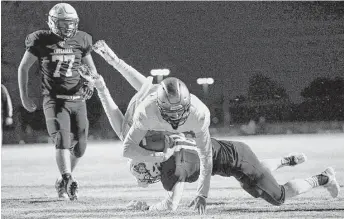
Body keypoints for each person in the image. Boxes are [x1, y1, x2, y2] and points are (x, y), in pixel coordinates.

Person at [77, 61, 340, 213]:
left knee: (275, 196)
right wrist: (102, 86)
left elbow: (171, 205)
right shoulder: (161, 141)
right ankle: (285, 160)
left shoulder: (171, 168)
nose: (145, 175)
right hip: (229, 154)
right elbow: (124, 127)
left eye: (142, 172)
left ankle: (323, 177)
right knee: (254, 173)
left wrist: (146, 209)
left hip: (234, 159)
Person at [92, 40, 212, 214]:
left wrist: (103, 82)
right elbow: (146, 89)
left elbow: (144, 90)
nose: (135, 158)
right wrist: (112, 65)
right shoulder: (158, 129)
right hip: (157, 111)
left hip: (151, 110)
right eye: (140, 162)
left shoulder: (142, 136)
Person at [18, 3, 98, 201]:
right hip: (54, 100)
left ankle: (62, 180)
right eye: (62, 24)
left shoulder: (82, 39)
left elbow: (93, 71)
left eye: (70, 23)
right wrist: (24, 96)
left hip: (77, 100)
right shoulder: (40, 39)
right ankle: (68, 179)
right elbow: (23, 68)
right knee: (62, 138)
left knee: (81, 146)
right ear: (52, 23)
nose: (67, 28)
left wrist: (91, 84)